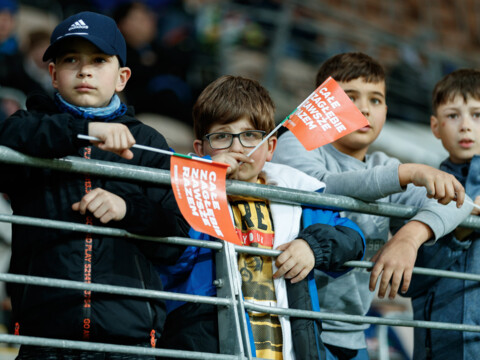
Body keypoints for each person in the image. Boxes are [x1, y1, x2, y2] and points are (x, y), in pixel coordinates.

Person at [0, 11, 189, 359]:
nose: (84, 70)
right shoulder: (27, 126)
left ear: (122, 77)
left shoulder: (149, 142)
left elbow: (174, 239)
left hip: (127, 340)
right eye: (71, 59)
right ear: (53, 75)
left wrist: (127, 209)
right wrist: (82, 133)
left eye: (99, 60)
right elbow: (9, 141)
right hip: (45, 337)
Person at [271, 52, 473, 359]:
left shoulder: (384, 165)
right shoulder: (295, 143)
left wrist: (409, 237)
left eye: (376, 100)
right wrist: (407, 173)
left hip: (354, 333)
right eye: (349, 97)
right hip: (289, 325)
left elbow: (459, 202)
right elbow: (321, 186)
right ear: (321, 104)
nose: (364, 108)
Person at [157, 75, 366, 360]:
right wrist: (206, 178)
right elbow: (172, 257)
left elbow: (353, 237)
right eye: (221, 136)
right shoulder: (189, 192)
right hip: (208, 347)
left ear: (270, 148)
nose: (237, 147)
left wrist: (313, 247)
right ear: (200, 149)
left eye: (251, 135)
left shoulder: (299, 194)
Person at [406, 68, 480, 360]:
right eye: (453, 115)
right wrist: (460, 230)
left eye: (477, 114)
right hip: (436, 343)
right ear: (435, 127)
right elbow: (411, 280)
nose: (465, 126)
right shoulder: (420, 190)